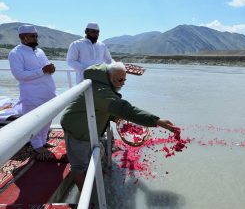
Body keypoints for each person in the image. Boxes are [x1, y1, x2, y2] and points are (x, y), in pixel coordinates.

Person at [60, 62, 179, 190]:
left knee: (89, 156)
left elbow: (100, 108)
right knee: (78, 167)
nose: (123, 83)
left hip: (88, 124)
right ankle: (86, 197)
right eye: (120, 80)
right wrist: (157, 121)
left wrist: (114, 117)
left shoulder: (102, 83)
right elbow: (124, 109)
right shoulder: (100, 91)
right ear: (109, 77)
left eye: (124, 79)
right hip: (78, 129)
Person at [8, 25, 56, 153]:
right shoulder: (15, 53)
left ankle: (43, 141)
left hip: (47, 91)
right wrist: (42, 71)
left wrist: (51, 69)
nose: (35, 38)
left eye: (36, 36)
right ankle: (36, 146)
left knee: (48, 118)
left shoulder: (40, 51)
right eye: (32, 36)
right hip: (31, 94)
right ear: (22, 37)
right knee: (34, 120)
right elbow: (19, 75)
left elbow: (46, 69)